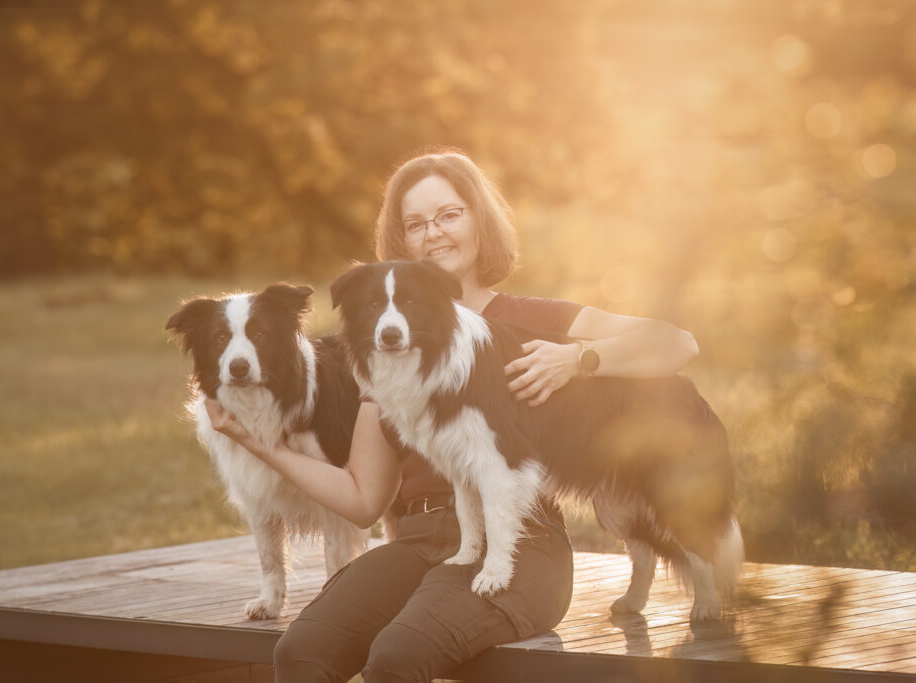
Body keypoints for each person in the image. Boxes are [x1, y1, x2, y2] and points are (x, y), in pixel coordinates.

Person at [205, 150, 699, 682]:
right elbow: (362, 499)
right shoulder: (383, 344)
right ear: (401, 240)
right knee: (299, 651)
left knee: (398, 656)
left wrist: (578, 359)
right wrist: (259, 445)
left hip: (522, 542)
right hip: (419, 538)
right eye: (415, 224)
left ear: (479, 220)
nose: (432, 234)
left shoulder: (532, 320)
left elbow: (676, 343)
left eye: (449, 215)